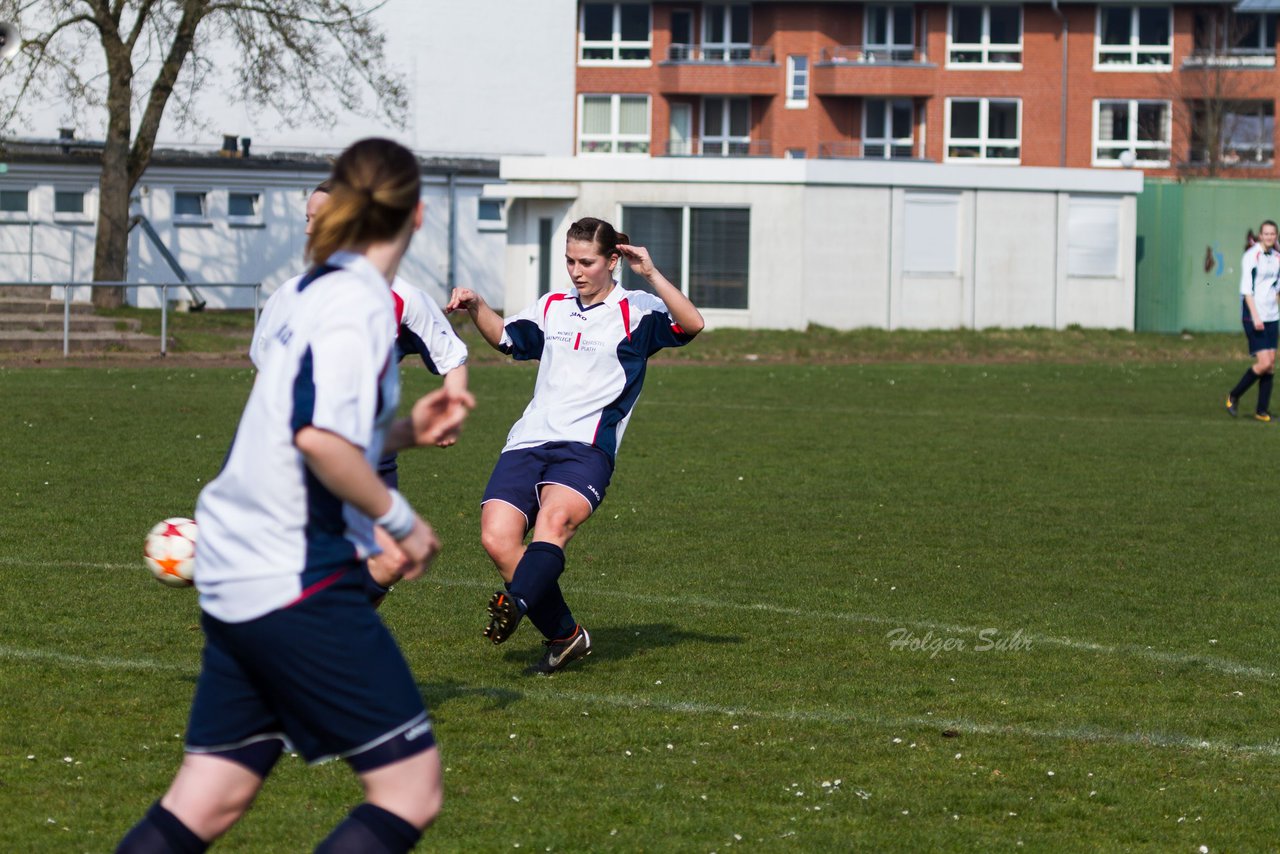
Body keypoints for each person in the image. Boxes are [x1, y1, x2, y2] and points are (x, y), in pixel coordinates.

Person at [117, 138, 474, 854]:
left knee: (210, 796)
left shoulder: (304, 293)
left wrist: (400, 431)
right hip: (293, 574)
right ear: (419, 214)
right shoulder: (362, 303)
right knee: (410, 790)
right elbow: (318, 439)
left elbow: (300, 423)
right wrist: (402, 520)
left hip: (233, 564)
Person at [445, 216, 704, 675]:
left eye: (587, 262)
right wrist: (477, 305)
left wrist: (651, 273)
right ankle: (565, 637)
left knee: (554, 521)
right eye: (570, 260)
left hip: (586, 448)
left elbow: (692, 324)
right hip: (528, 440)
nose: (576, 271)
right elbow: (509, 339)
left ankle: (516, 602)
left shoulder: (638, 309)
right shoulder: (553, 306)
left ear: (612, 261)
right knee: (497, 539)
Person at [253, 181, 470, 601]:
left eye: (319, 219)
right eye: (307, 219)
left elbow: (452, 358)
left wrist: (451, 408)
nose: (308, 230)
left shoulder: (401, 298)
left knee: (391, 560)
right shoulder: (291, 297)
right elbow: (266, 379)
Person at [1227, 219, 1280, 422]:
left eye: (1272, 234)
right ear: (1260, 235)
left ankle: (1261, 411)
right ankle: (1233, 395)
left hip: (1272, 316)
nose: (1269, 237)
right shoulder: (1251, 256)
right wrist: (1256, 316)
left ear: (1276, 236)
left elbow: (1276, 288)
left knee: (1271, 364)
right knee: (1264, 363)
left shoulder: (1277, 257)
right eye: (1266, 233)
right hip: (1254, 316)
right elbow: (1246, 291)